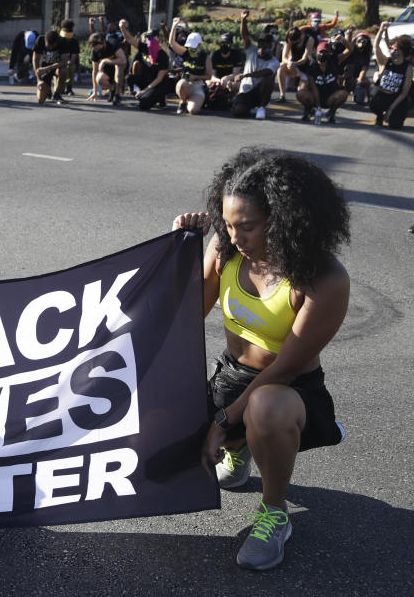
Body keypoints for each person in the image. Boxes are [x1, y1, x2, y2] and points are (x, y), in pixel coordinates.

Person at [172, 147, 349, 571]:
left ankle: (274, 512)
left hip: (287, 391)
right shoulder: (227, 248)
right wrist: (180, 248)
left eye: (247, 227)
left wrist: (219, 422)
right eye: (228, 225)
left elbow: (284, 368)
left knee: (263, 408)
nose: (234, 238)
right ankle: (240, 446)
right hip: (231, 379)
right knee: (159, 442)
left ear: (287, 219)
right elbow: (185, 314)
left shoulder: (324, 279)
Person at [232, 10, 279, 120]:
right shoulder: (252, 50)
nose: (260, 49)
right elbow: (245, 36)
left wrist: (245, 75)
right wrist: (243, 20)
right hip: (246, 90)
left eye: (264, 46)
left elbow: (265, 72)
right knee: (238, 111)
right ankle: (250, 108)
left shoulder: (274, 62)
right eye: (259, 45)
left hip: (260, 92)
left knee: (268, 80)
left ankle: (261, 107)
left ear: (270, 46)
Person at [370, 22, 412, 129]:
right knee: (375, 100)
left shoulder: (407, 67)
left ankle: (392, 116)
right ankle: (379, 116)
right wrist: (381, 30)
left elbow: (404, 93)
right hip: (382, 96)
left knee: (396, 125)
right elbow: (376, 47)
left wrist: (390, 110)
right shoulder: (385, 61)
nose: (393, 51)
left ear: (403, 51)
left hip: (396, 98)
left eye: (396, 49)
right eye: (392, 49)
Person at [296, 40, 347, 124]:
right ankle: (309, 110)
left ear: (329, 54)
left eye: (325, 52)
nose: (323, 54)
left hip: (330, 97)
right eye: (321, 52)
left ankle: (331, 112)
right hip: (315, 97)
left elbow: (349, 50)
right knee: (300, 93)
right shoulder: (312, 65)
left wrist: (344, 39)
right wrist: (318, 107)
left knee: (343, 94)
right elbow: (314, 87)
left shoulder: (333, 62)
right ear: (316, 52)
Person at [168, 21, 212, 115]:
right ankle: (183, 102)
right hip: (186, 84)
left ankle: (193, 102)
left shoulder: (205, 57)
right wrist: (174, 26)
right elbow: (172, 43)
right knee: (181, 84)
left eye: (194, 48)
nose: (191, 50)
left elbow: (209, 76)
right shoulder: (185, 52)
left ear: (199, 45)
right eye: (190, 47)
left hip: (198, 86)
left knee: (193, 110)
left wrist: (195, 77)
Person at [126, 29, 169, 111]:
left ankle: (160, 97)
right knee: (129, 78)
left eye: (152, 37)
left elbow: (159, 78)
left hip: (156, 83)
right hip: (146, 80)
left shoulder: (163, 56)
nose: (149, 40)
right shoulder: (144, 48)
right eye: (148, 38)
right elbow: (129, 39)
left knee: (144, 105)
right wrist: (122, 27)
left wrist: (144, 91)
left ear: (158, 38)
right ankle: (141, 94)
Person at [85, 31, 127, 106]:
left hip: (120, 67)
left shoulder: (113, 44)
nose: (95, 49)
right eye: (93, 47)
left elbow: (123, 60)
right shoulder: (94, 51)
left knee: (118, 66)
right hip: (107, 69)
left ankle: (117, 95)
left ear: (102, 43)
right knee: (99, 79)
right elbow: (94, 71)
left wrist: (105, 61)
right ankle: (112, 89)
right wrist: (95, 91)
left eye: (96, 46)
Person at [30, 28, 70, 105]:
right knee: (40, 100)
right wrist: (39, 80)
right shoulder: (40, 40)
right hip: (44, 68)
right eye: (48, 46)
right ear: (45, 41)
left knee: (64, 70)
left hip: (56, 68)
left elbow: (64, 61)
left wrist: (47, 68)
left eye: (52, 46)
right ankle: (48, 90)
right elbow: (35, 59)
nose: (50, 48)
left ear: (56, 42)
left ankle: (57, 94)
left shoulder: (63, 41)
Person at [206, 33, 245, 111]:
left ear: (231, 44)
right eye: (222, 43)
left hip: (230, 79)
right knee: (207, 83)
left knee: (237, 84)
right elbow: (211, 75)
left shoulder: (236, 54)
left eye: (227, 43)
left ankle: (232, 99)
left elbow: (236, 73)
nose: (224, 46)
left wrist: (227, 79)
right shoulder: (214, 55)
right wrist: (219, 81)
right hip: (217, 79)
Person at [277, 26, 315, 103]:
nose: (291, 43)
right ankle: (282, 95)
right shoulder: (289, 39)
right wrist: (289, 62)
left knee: (301, 95)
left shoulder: (309, 40)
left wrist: (294, 63)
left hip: (304, 68)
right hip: (293, 66)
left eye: (293, 42)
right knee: (281, 67)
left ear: (298, 39)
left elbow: (304, 59)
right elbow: (284, 57)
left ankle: (304, 86)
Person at [58, 19, 81, 96]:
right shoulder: (58, 39)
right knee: (59, 90)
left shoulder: (74, 41)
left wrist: (69, 62)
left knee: (71, 68)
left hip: (69, 62)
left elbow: (75, 55)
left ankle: (69, 88)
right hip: (58, 61)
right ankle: (59, 88)